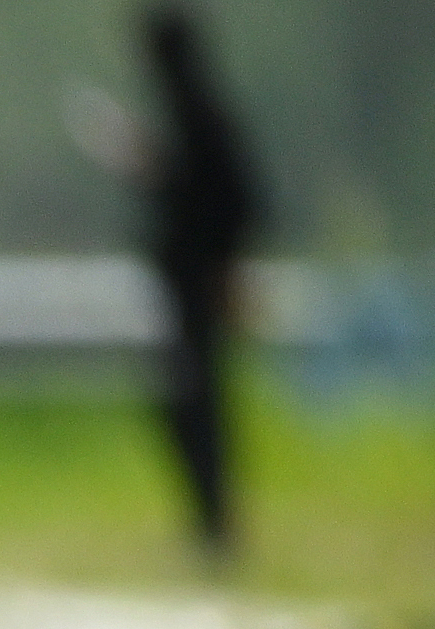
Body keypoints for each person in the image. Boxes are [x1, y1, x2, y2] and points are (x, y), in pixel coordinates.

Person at [137, 4, 267, 563]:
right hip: (184, 290)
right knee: (189, 405)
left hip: (200, 289)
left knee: (198, 406)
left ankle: (216, 525)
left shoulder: (204, 120)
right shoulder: (196, 118)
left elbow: (234, 204)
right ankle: (209, 520)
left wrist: (224, 268)